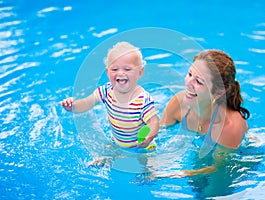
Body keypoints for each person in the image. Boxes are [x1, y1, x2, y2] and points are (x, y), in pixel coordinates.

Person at [159, 49, 250, 177]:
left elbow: (217, 167)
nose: (188, 83)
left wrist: (171, 174)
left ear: (218, 92)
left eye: (199, 81)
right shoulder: (178, 104)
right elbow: (159, 132)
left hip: (237, 158)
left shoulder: (229, 128)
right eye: (190, 74)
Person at [61, 41, 159, 150]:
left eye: (127, 69)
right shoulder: (106, 91)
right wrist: (73, 106)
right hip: (117, 144)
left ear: (139, 72)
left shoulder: (143, 100)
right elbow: (86, 104)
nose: (120, 73)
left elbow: (153, 122)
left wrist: (148, 137)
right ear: (108, 72)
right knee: (105, 154)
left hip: (143, 147)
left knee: (150, 164)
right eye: (115, 69)